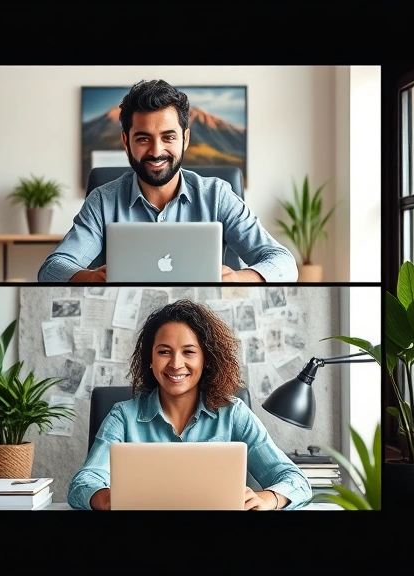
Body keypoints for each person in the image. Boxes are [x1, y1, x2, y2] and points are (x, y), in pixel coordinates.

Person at [38, 79, 297, 283]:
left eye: (168, 137)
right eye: (143, 139)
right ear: (126, 142)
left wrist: (241, 279)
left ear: (185, 139)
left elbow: (283, 262)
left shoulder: (217, 196)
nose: (156, 151)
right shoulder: (102, 201)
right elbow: (52, 268)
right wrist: (91, 278)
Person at [68, 299, 312, 510]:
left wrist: (269, 498)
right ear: (150, 359)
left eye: (189, 352)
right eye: (164, 352)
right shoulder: (123, 416)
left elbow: (296, 480)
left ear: (206, 359)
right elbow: (83, 483)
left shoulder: (234, 413)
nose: (176, 364)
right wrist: (105, 498)